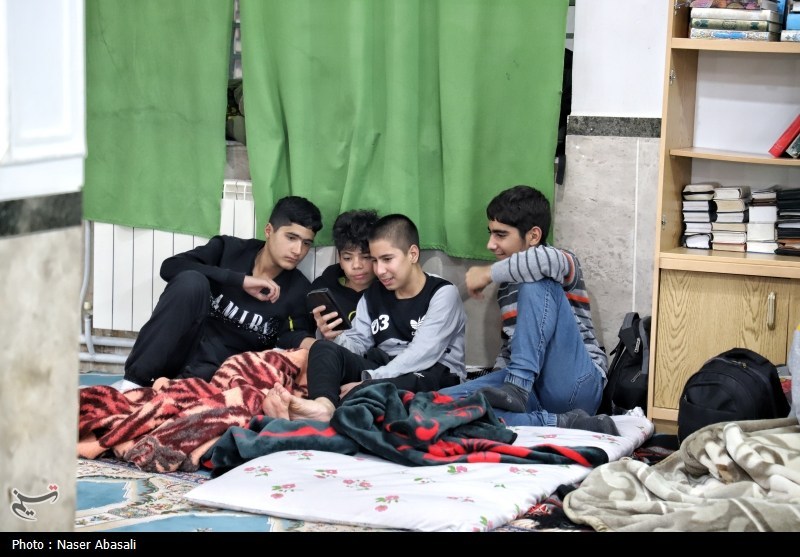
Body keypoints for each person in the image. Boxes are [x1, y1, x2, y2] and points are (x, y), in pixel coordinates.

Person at [438, 185, 619, 435]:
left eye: (501, 235)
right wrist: (494, 389)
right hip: (531, 393)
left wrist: (488, 273)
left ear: (533, 236)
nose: (490, 244)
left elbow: (540, 263)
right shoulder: (506, 288)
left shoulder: (561, 261)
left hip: (575, 385)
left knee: (535, 280)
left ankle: (517, 387)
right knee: (442, 403)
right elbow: (511, 347)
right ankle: (562, 423)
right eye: (491, 234)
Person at [264, 213, 466, 422]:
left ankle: (346, 404)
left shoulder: (442, 293)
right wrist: (334, 337)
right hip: (384, 367)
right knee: (323, 348)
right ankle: (323, 407)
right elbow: (358, 344)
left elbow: (422, 353)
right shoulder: (372, 295)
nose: (380, 270)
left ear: (412, 254)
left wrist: (369, 380)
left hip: (433, 371)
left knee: (398, 385)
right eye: (375, 261)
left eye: (387, 259)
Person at [120, 195, 323, 388]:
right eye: (291, 238)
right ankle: (131, 385)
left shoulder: (299, 290)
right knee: (192, 281)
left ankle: (173, 391)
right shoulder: (229, 249)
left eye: (306, 243)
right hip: (179, 352)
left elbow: (292, 340)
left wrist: (326, 343)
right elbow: (170, 267)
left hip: (216, 375)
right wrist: (239, 280)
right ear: (269, 230)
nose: (298, 251)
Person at [308, 209, 379, 337]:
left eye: (366, 256)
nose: (357, 265)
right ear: (339, 258)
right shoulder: (322, 289)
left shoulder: (389, 291)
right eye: (347, 258)